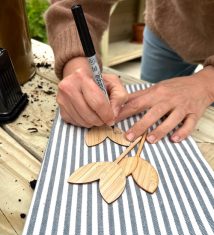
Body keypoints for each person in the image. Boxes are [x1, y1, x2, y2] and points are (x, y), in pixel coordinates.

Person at [45, 0, 214, 144]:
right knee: (151, 103)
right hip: (166, 27)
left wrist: (207, 85)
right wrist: (77, 66)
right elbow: (75, 4)